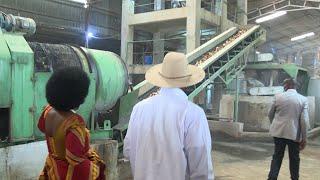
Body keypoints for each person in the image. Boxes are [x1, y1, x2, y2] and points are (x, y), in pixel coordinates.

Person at [124, 52, 214, 180]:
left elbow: (128, 151)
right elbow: (201, 168)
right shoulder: (193, 113)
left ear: (162, 78)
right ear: (186, 82)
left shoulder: (139, 109)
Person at [38, 67, 105, 180]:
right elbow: (74, 158)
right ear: (77, 96)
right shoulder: (74, 123)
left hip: (52, 168)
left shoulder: (48, 111)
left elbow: (41, 127)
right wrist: (95, 167)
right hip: (68, 173)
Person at [267, 78, 309, 180]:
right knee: (294, 158)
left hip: (279, 133)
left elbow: (270, 114)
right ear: (295, 86)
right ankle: (294, 178)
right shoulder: (303, 99)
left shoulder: (278, 97)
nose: (283, 87)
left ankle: (272, 178)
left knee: (277, 156)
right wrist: (304, 138)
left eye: (284, 85)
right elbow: (304, 120)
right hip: (294, 134)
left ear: (286, 85)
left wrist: (275, 124)